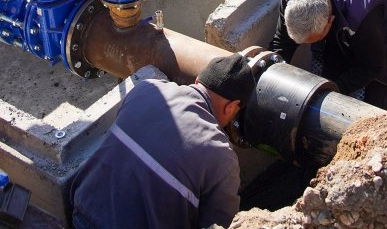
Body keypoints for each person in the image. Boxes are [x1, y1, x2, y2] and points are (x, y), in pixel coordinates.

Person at [68, 54, 256, 229]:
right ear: (231, 107)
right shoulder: (221, 155)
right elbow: (220, 224)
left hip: (83, 212)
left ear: (198, 80)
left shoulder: (146, 88)